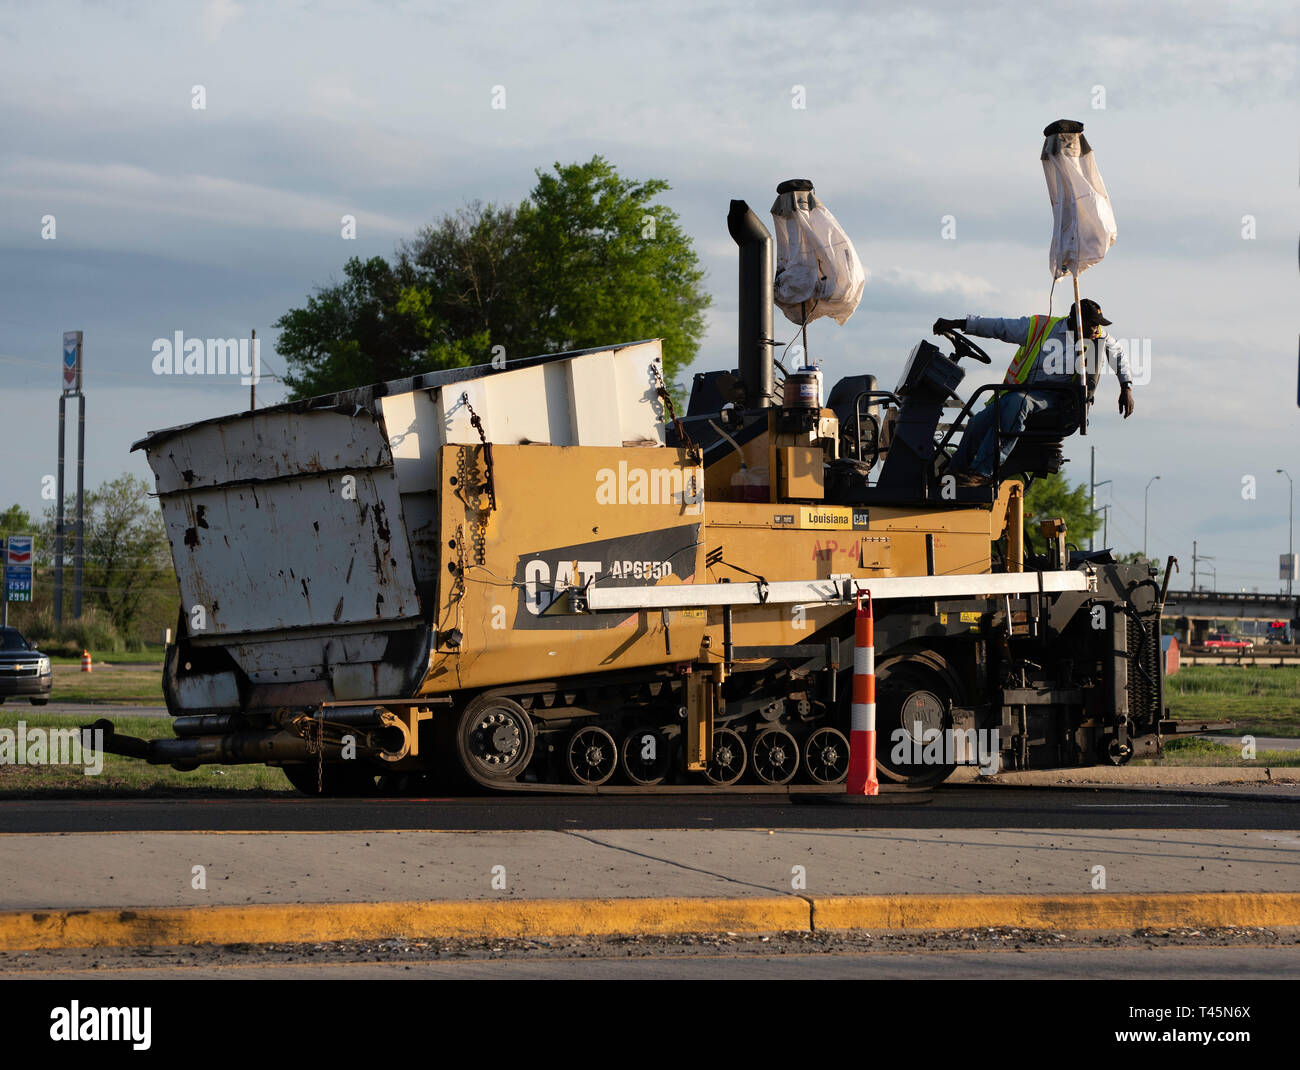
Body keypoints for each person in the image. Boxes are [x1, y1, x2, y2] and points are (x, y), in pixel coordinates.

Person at [932, 299, 1134, 485]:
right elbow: (999, 326)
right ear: (1075, 320)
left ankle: (983, 473)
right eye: (1092, 323)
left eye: (1098, 324)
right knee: (978, 422)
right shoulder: (1041, 326)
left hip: (1055, 397)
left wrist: (1126, 386)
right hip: (1020, 390)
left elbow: (1118, 353)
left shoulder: (1097, 336)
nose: (1096, 329)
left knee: (1018, 403)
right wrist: (958, 323)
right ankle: (952, 475)